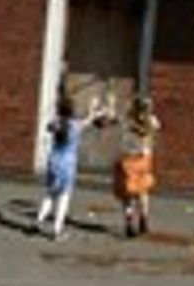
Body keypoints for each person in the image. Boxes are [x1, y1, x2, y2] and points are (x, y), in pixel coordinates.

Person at [33, 95, 104, 240]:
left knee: (50, 194)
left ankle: (38, 221)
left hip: (53, 161)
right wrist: (94, 108)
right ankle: (57, 230)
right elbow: (89, 120)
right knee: (64, 197)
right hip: (68, 164)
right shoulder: (75, 125)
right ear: (72, 110)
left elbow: (50, 127)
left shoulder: (56, 123)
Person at [115, 96, 161, 238]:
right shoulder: (152, 122)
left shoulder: (126, 121)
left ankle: (129, 223)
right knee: (142, 191)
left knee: (127, 194)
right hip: (144, 159)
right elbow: (157, 129)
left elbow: (116, 122)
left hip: (128, 160)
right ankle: (144, 220)